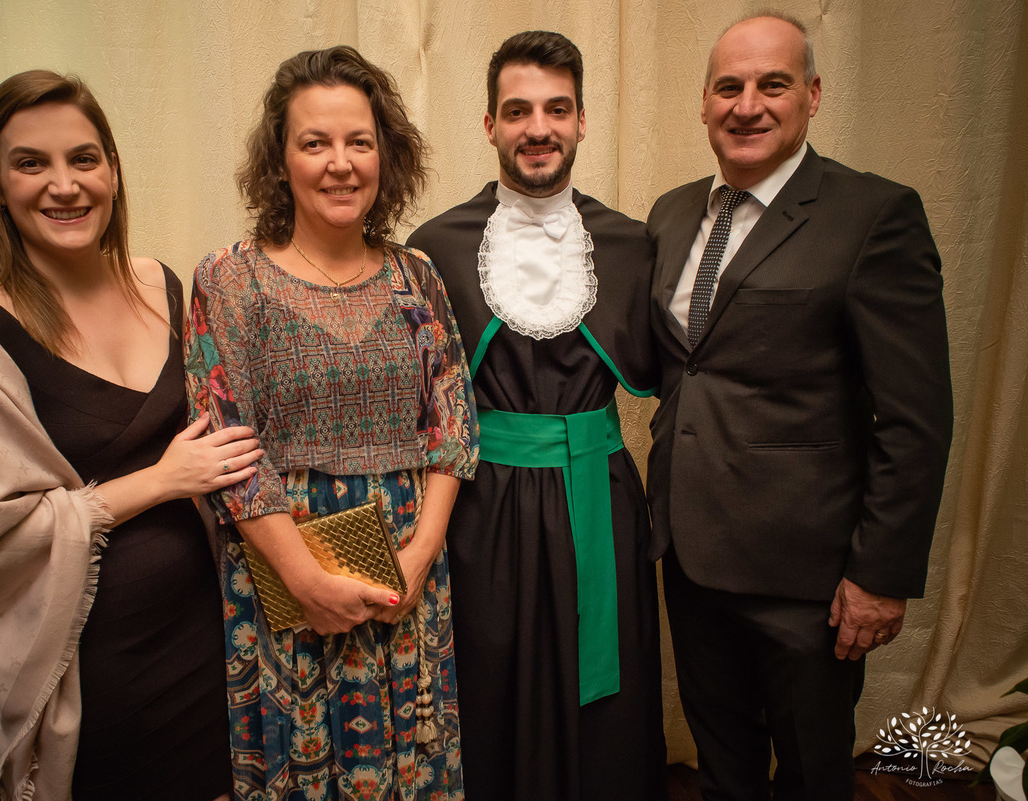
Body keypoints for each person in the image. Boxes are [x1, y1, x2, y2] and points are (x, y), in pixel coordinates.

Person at [0, 70, 262, 801]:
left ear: (112, 169)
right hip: (91, 663)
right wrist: (161, 481)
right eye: (31, 163)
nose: (64, 185)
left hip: (207, 628)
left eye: (83, 159)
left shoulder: (164, 284)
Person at [646, 13, 953, 800]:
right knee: (723, 765)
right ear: (704, 103)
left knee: (814, 770)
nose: (747, 105)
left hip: (807, 574)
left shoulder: (873, 216)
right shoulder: (672, 215)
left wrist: (879, 574)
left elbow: (915, 419)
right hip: (690, 554)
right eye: (729, 87)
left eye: (772, 84)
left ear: (812, 95)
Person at [185, 46, 478, 799]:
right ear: (280, 160)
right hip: (287, 584)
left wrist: (420, 557)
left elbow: (453, 426)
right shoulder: (229, 278)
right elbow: (228, 445)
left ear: (386, 156)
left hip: (409, 578)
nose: (340, 164)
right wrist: (306, 579)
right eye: (315, 143)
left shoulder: (416, 277)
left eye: (359, 142)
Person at [406, 30, 666, 801]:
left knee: (605, 703)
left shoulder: (632, 244)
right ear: (490, 124)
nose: (538, 127)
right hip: (480, 504)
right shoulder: (433, 248)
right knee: (489, 680)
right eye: (517, 111)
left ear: (583, 120)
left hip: (598, 501)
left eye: (557, 108)